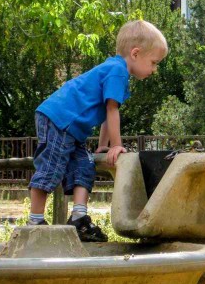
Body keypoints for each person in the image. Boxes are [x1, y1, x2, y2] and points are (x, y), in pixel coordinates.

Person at [29, 20, 168, 241]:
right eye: (153, 62)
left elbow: (106, 111)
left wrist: (104, 145)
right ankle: (34, 222)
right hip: (59, 118)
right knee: (52, 167)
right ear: (135, 53)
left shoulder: (116, 70)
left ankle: (79, 219)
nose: (154, 69)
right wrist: (116, 145)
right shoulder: (117, 71)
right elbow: (112, 111)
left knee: (84, 166)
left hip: (72, 127)